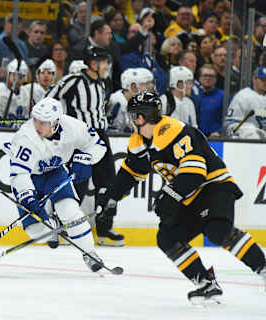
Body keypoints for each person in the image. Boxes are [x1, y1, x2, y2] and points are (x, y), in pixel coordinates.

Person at [96, 91, 266, 305]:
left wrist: (169, 195)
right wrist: (109, 197)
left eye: (132, 116)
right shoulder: (139, 141)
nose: (131, 121)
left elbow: (195, 172)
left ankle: (263, 267)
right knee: (167, 237)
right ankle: (206, 284)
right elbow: (129, 174)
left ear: (139, 118)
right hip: (189, 197)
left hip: (214, 186)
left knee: (217, 230)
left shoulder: (174, 131)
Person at [5, 97, 107, 271]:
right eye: (35, 120)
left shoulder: (73, 127)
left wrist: (87, 158)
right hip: (31, 177)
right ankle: (52, 225)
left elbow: (98, 144)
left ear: (56, 122)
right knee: (37, 231)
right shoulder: (26, 137)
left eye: (43, 122)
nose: (37, 125)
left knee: (70, 211)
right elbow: (19, 173)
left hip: (55, 173)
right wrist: (27, 197)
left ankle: (89, 253)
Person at [45, 46, 124, 246]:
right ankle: (60, 226)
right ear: (93, 63)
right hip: (80, 137)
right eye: (104, 61)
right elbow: (50, 97)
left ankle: (104, 230)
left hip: (100, 136)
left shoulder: (102, 82)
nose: (107, 65)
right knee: (76, 183)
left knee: (107, 183)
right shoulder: (74, 79)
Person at [107, 68, 154, 134]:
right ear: (134, 87)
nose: (151, 87)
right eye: (146, 84)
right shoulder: (117, 102)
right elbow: (112, 135)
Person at [225, 67, 266, 139]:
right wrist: (249, 131)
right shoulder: (243, 96)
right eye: (263, 80)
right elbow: (230, 124)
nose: (265, 83)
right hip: (247, 141)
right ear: (254, 79)